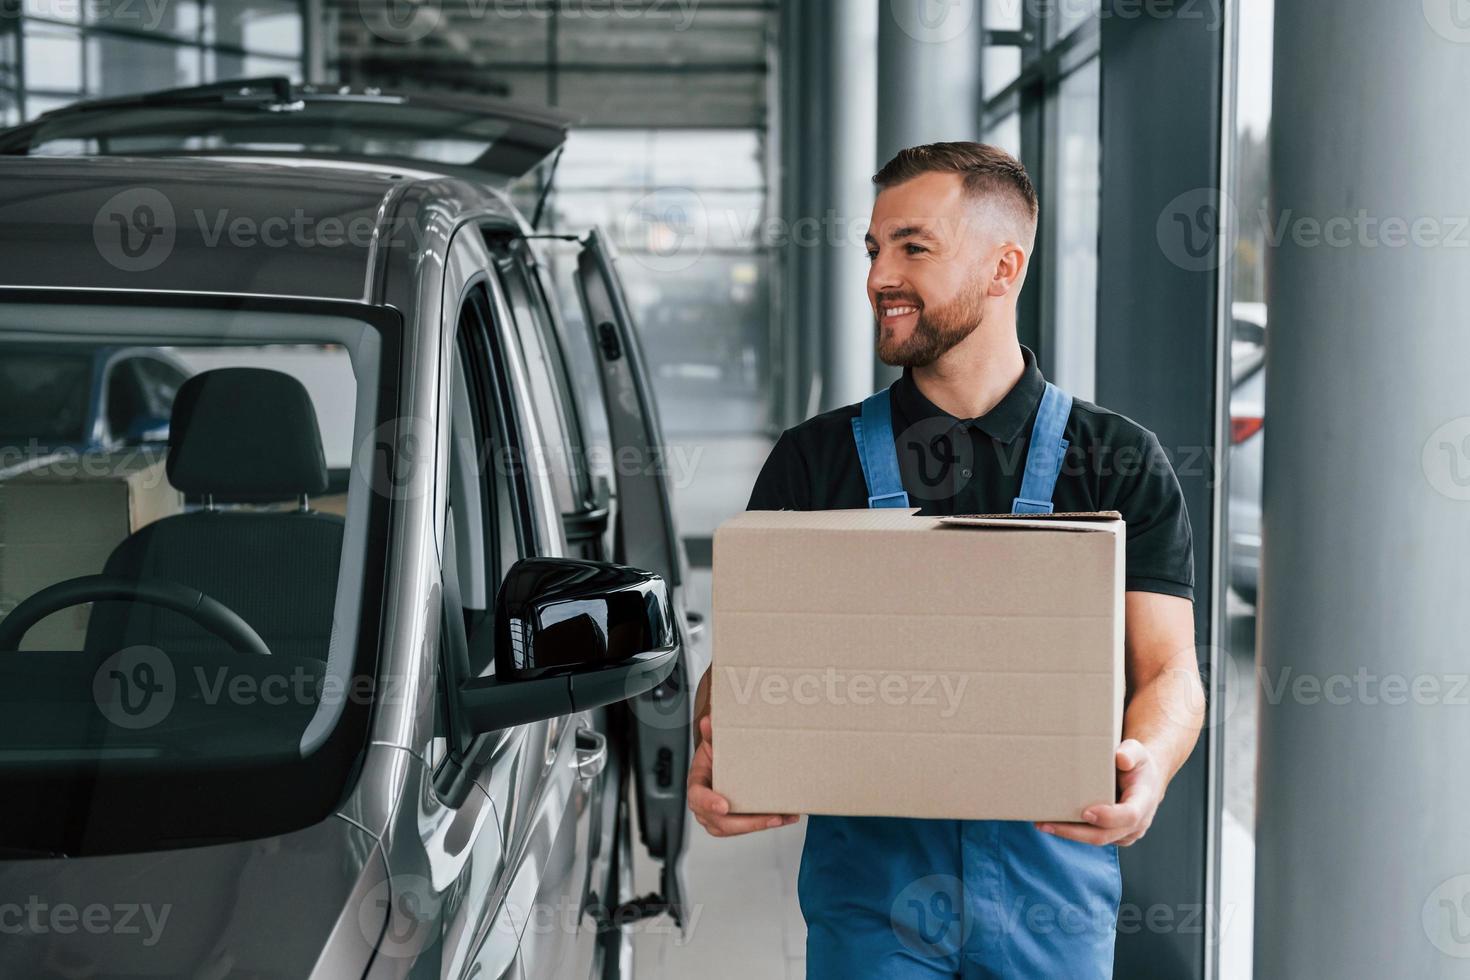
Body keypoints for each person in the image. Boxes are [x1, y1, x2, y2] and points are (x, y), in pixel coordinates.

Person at [685, 141, 1205, 978]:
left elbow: (1170, 672)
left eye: (912, 248)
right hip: (872, 894)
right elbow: (746, 665)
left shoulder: (1117, 460)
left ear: (1005, 268)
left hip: (1051, 881)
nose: (878, 277)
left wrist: (1147, 771)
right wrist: (724, 746)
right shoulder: (814, 460)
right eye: (874, 249)